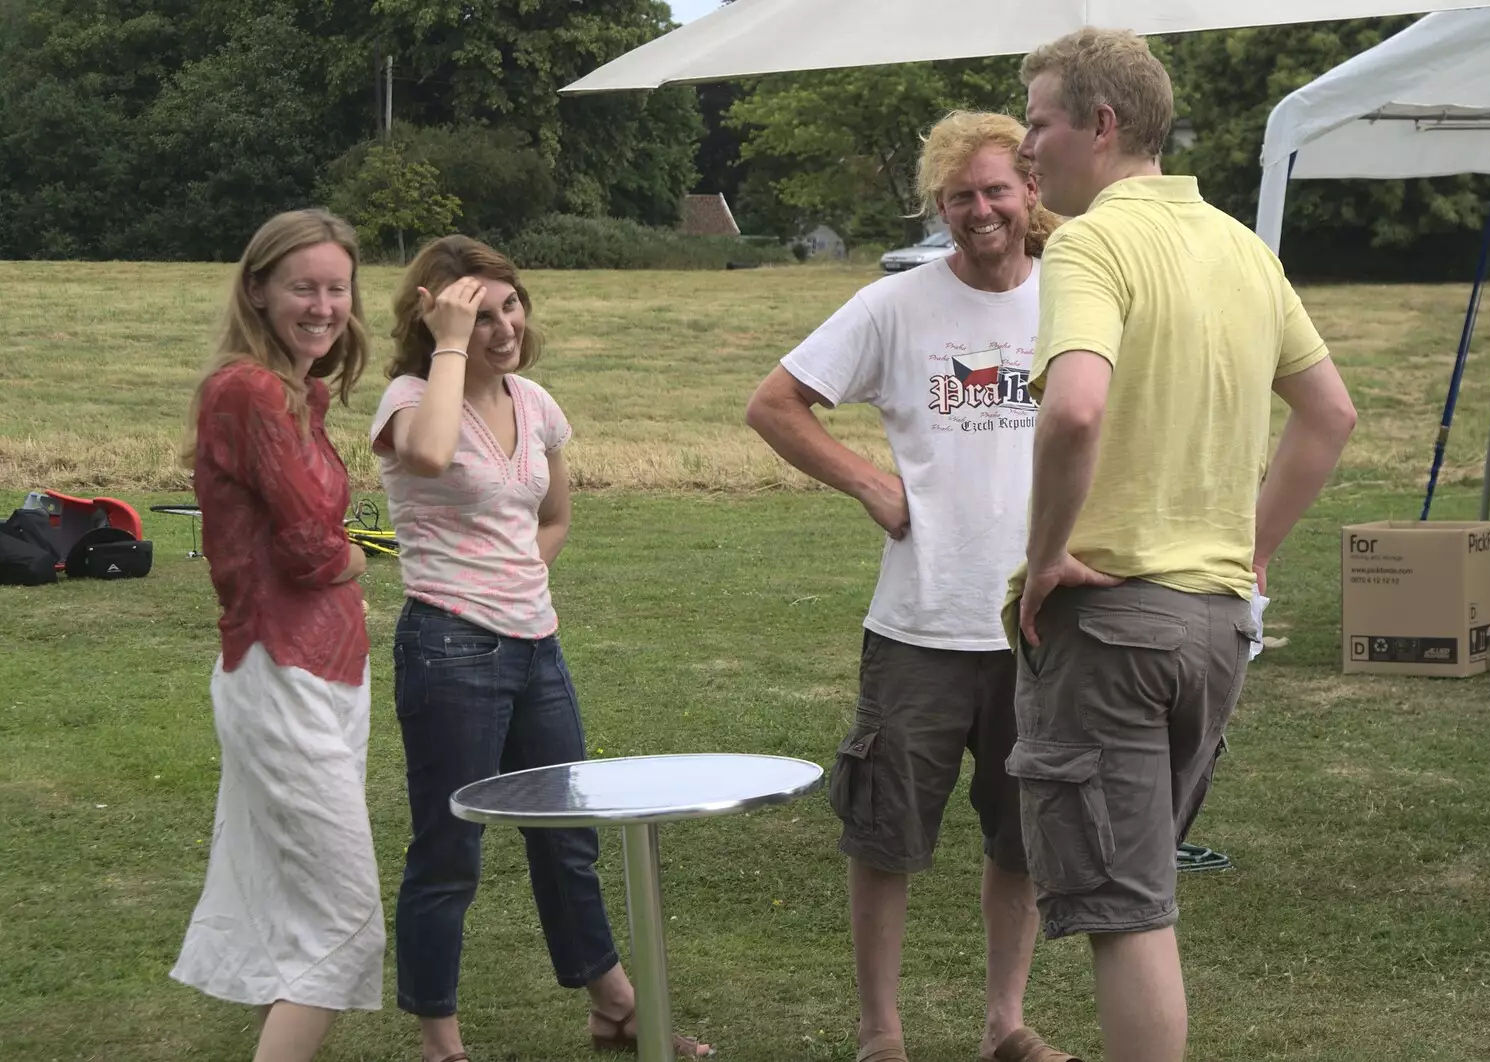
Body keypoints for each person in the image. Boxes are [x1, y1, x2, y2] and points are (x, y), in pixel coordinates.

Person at [1005, 29, 1358, 1062]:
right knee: (1141, 892)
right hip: (1213, 629)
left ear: (1101, 124)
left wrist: (1046, 554)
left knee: (1128, 916)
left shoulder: (1087, 243)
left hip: (1111, 625)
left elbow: (1072, 412)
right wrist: (1246, 552)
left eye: (1038, 120)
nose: (1027, 146)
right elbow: (1328, 413)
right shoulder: (1242, 248)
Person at [746, 111, 1068, 1062]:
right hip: (919, 624)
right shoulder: (896, 307)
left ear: (1030, 192)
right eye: (960, 196)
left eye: (997, 190)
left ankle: (1005, 1025)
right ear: (939, 207)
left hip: (1040, 624)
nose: (981, 210)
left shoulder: (1074, 301)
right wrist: (868, 481)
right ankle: (880, 1035)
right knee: (886, 836)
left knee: (1022, 840)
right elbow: (774, 403)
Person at [369, 235, 713, 1062]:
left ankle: (614, 1007)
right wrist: (447, 342)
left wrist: (516, 579)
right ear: (437, 319)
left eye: (510, 305)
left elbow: (551, 519)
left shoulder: (536, 403)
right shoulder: (409, 398)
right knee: (449, 846)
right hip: (449, 647)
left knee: (568, 834)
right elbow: (425, 453)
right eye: (478, 314)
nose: (502, 327)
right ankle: (440, 1043)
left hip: (535, 646)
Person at [171, 208, 382, 1062]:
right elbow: (306, 548)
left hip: (331, 670)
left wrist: (342, 556)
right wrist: (355, 559)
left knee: (292, 907)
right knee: (345, 918)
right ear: (257, 289)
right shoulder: (249, 390)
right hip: (280, 669)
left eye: (337, 288)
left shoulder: (301, 394)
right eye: (304, 287)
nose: (324, 305)